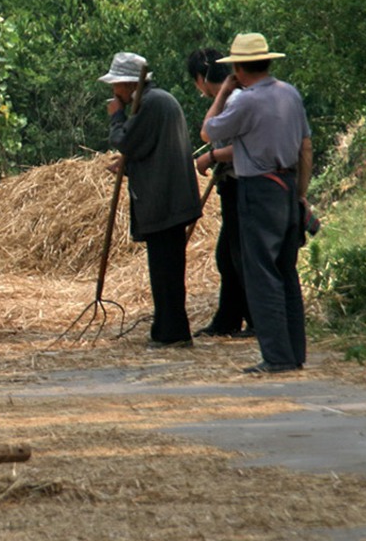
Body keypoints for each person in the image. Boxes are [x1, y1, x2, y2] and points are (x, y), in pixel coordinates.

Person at [202, 33, 313, 374]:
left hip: (258, 188)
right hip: (287, 185)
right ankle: (294, 353)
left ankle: (277, 357)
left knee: (261, 274)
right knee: (285, 272)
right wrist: (300, 195)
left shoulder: (245, 101)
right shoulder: (289, 94)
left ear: (237, 68)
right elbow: (306, 148)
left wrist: (222, 91)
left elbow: (208, 131)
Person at [100, 53, 203, 348]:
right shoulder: (155, 102)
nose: (114, 93)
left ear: (129, 84)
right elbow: (146, 147)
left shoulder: (153, 103)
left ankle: (172, 333)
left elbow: (125, 139)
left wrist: (116, 116)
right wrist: (127, 162)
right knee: (165, 268)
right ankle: (167, 328)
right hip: (169, 196)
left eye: (116, 86)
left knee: (166, 270)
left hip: (165, 199)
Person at [187, 48, 253, 338]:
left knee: (238, 256)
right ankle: (228, 320)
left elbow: (215, 136)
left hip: (243, 185)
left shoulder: (234, 100)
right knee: (228, 256)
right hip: (233, 186)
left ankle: (255, 320)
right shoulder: (229, 99)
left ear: (200, 79)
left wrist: (212, 157)